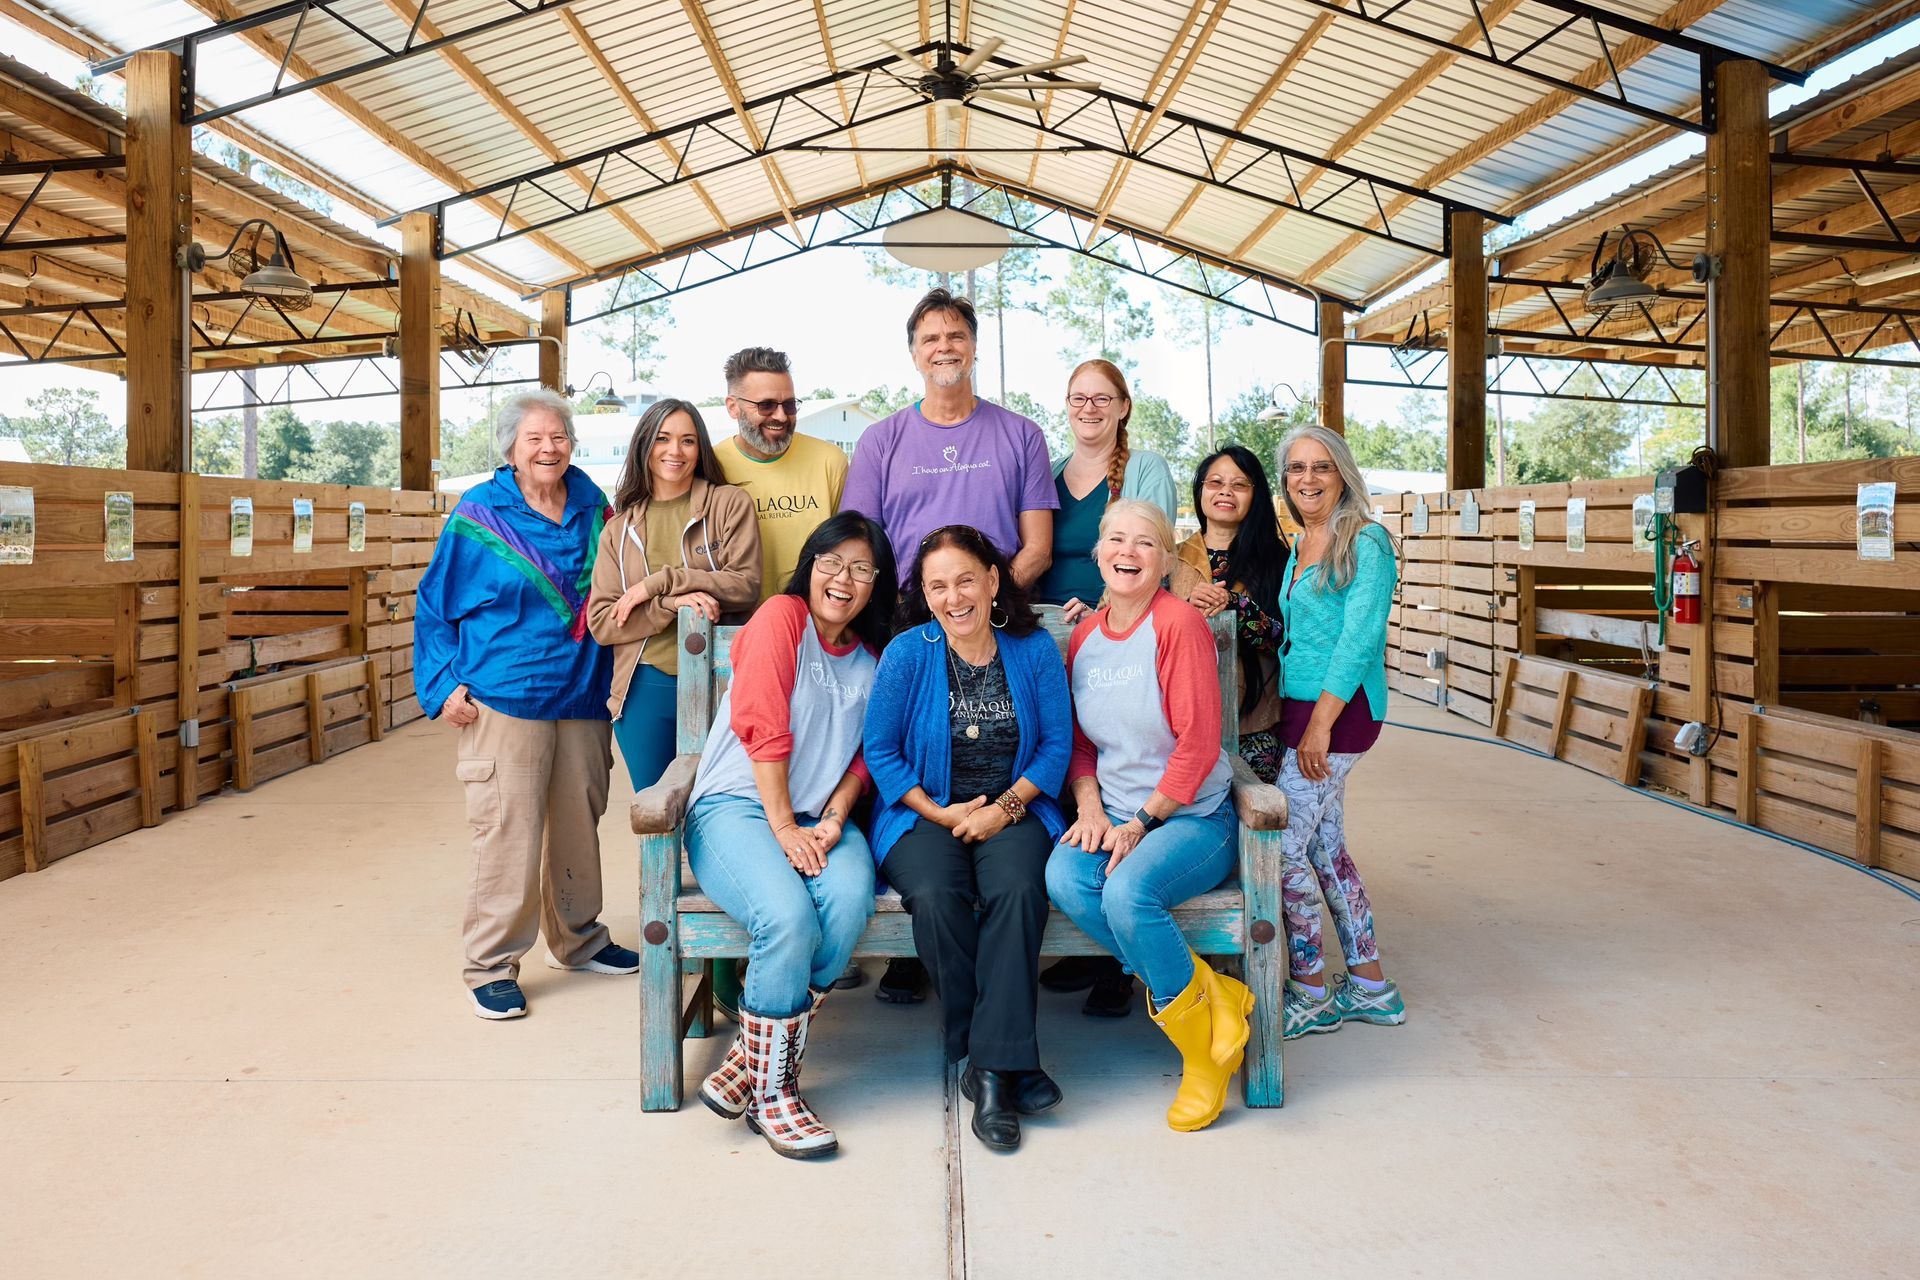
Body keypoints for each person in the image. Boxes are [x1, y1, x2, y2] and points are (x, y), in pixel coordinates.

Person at [844, 287, 1059, 1003]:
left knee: (998, 751)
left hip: (994, 624)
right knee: (907, 758)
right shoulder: (882, 441)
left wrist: (979, 608)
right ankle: (914, 946)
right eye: (930, 338)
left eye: (956, 335)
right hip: (905, 628)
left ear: (973, 346)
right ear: (913, 353)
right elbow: (865, 545)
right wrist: (928, 619)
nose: (944, 347)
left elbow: (1035, 545)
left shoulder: (1019, 435)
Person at [415, 388, 636, 1021]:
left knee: (577, 824)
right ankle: (491, 965)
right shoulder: (480, 514)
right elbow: (434, 605)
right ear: (510, 449)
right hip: (505, 696)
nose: (548, 448)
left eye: (558, 437)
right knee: (507, 831)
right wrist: (441, 684)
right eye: (533, 439)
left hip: (582, 694)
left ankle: (578, 938)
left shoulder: (596, 508)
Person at [682, 512, 898, 1158]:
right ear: (810, 565)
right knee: (787, 918)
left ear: (876, 583)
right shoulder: (782, 618)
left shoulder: (873, 660)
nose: (843, 579)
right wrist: (782, 826)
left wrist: (833, 815)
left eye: (860, 569)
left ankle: (749, 1058)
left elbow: (868, 755)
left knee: (850, 898)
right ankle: (775, 1093)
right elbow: (762, 723)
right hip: (736, 808)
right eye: (831, 562)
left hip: (814, 818)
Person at [1045, 499, 1254, 1134]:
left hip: (1192, 816)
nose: (1128, 552)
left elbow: (1199, 745)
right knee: (1065, 877)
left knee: (1128, 893)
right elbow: (1082, 744)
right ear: (1097, 553)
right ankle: (1208, 992)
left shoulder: (1177, 625)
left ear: (1165, 560)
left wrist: (1140, 821)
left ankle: (1202, 1056)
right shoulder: (1086, 635)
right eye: (1116, 539)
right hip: (1113, 810)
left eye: (1145, 542)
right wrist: (1089, 806)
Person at [862, 526, 1073, 1150]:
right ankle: (1003, 1061)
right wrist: (942, 813)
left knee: (1018, 890)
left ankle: (987, 1071)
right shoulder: (907, 653)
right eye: (938, 587)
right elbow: (881, 750)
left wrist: (1003, 809)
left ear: (993, 580)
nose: (954, 598)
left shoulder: (1033, 649)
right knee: (934, 894)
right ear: (925, 596)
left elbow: (1056, 746)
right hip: (924, 814)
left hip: (1015, 808)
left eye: (965, 581)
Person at [1032, 358, 1178, 1017]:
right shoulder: (1049, 471)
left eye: (1101, 398)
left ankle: (1120, 968)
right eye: (1077, 398)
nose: (1088, 408)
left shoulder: (1144, 469)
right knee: (1066, 770)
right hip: (1051, 642)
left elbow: (1146, 551)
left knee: (1113, 762)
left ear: (1123, 406)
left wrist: (1099, 610)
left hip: (1113, 635)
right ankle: (1096, 938)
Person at [1270, 424, 1407, 1041]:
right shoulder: (1301, 542)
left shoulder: (1366, 541)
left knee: (1281, 848)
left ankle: (1309, 990)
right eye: (1297, 468)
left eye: (1321, 466)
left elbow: (1359, 639)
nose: (1308, 479)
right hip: (1302, 711)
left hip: (1339, 714)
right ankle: (1371, 986)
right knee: (1325, 848)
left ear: (1343, 474)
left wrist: (1320, 725)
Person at [586, 399, 760, 791]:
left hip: (724, 681)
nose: (675, 451)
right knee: (654, 811)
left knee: (719, 807)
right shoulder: (619, 528)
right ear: (645, 446)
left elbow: (745, 585)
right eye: (663, 439)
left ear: (700, 449)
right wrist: (670, 605)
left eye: (688, 440)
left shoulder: (728, 504)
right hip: (645, 685)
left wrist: (660, 583)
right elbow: (602, 622)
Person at [1173, 445, 1290, 783]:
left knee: (1257, 810)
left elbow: (1286, 641)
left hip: (1254, 723)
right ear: (1200, 491)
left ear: (1256, 495)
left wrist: (1237, 606)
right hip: (1180, 721)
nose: (1225, 491)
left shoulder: (1278, 561)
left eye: (1239, 484)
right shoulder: (1169, 558)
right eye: (1215, 482)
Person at [712, 346, 849, 603]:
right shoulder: (711, 466)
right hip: (736, 621)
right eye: (766, 405)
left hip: (813, 619)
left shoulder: (830, 461)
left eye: (789, 405)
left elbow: (848, 548)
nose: (781, 416)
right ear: (733, 407)